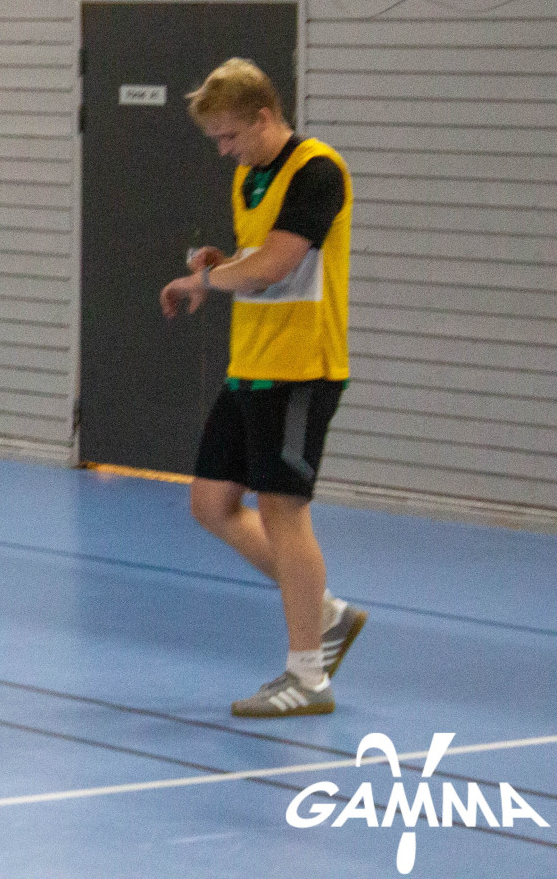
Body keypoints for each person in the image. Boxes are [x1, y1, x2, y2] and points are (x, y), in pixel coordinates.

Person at [160, 59, 367, 718]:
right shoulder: (249, 176)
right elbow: (259, 263)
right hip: (250, 362)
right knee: (211, 503)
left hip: (301, 368)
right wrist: (221, 264)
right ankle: (322, 611)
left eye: (230, 136)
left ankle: (308, 677)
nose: (224, 150)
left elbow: (279, 263)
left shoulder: (317, 171)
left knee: (282, 510)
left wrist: (203, 281)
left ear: (263, 117)